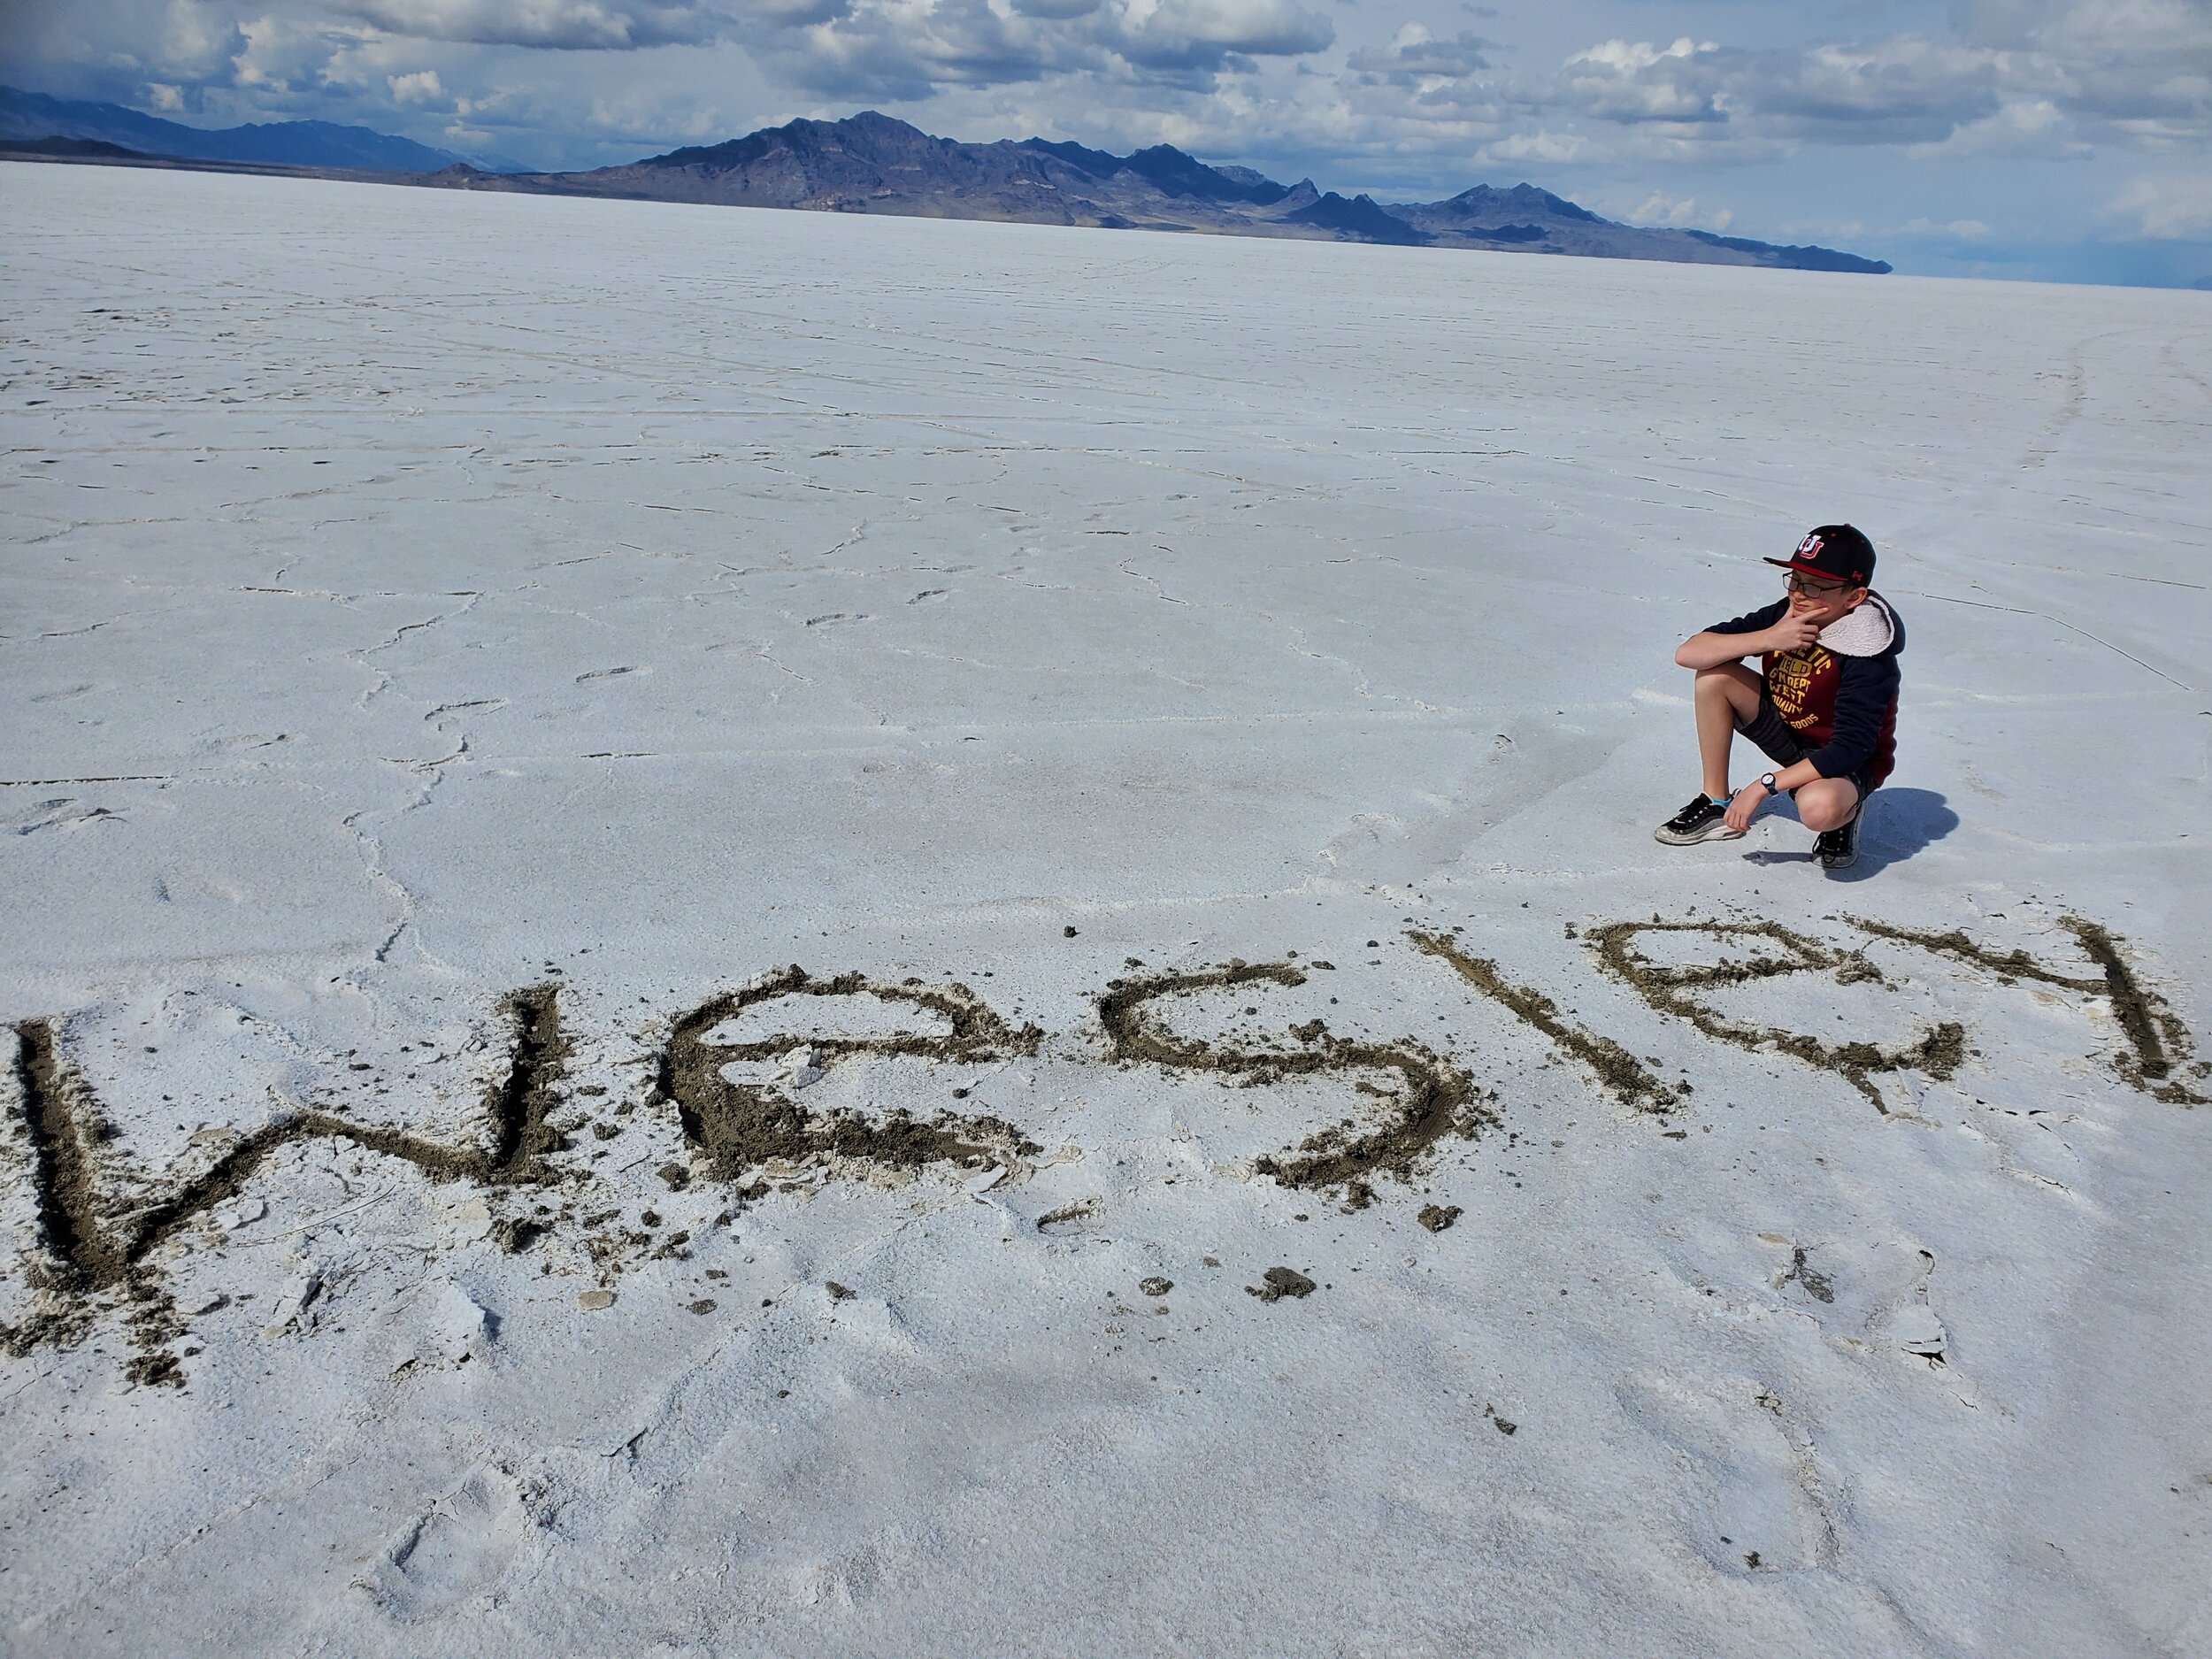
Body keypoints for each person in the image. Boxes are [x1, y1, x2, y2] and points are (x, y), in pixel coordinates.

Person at [1654, 524, 1903, 871]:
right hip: (1790, 733)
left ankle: (1847, 813)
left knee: (1818, 809)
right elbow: (1689, 653)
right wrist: (1769, 638)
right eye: (1796, 579)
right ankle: (1716, 801)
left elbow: (1850, 748)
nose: (1799, 594)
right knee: (1715, 677)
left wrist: (1764, 785)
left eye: (1815, 586)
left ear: (1854, 597)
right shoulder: (1787, 615)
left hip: (1846, 763)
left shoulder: (1869, 654)